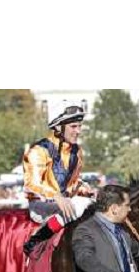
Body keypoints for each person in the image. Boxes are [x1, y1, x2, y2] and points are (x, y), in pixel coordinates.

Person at [22, 104, 95, 256]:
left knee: (94, 205)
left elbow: (72, 184)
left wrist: (84, 189)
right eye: (73, 126)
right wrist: (56, 197)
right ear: (58, 127)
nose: (78, 131)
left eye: (80, 126)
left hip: (66, 205)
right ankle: (35, 241)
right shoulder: (39, 150)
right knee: (79, 205)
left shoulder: (77, 151)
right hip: (41, 206)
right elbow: (32, 184)